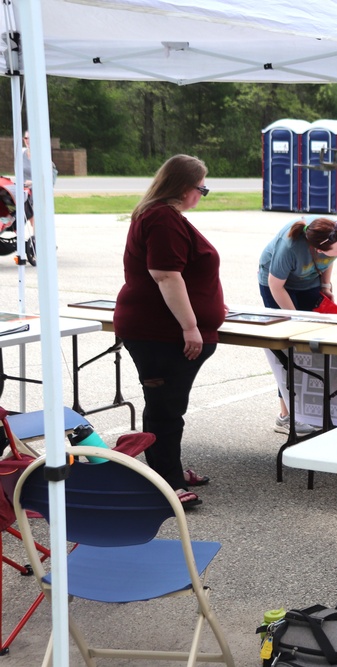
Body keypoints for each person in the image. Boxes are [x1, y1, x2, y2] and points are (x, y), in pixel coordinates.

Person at [113, 155, 224, 509]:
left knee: (169, 405)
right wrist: (190, 325)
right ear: (184, 186)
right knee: (164, 407)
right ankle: (166, 480)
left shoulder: (164, 216)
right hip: (159, 333)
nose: (201, 195)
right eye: (201, 188)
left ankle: (168, 467)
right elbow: (165, 275)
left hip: (164, 330)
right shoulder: (162, 217)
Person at [258, 216, 337, 435]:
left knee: (317, 344)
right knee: (289, 351)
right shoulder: (289, 248)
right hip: (279, 286)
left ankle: (313, 412)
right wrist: (295, 320)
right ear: (317, 248)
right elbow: (275, 285)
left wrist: (325, 285)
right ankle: (287, 416)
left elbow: (330, 260)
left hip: (309, 282)